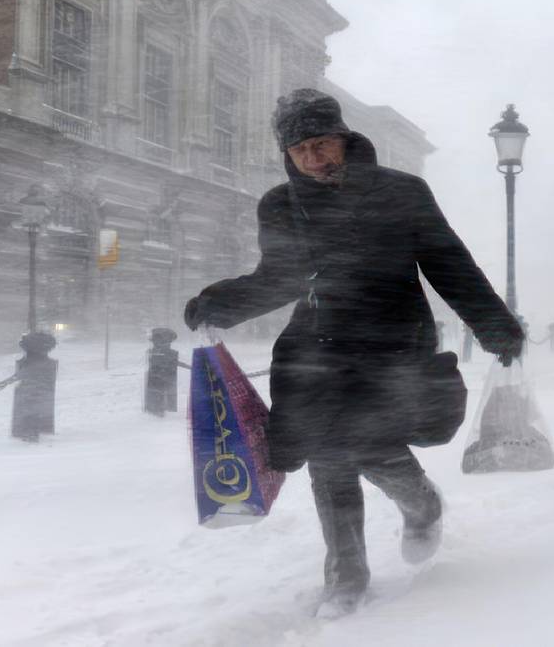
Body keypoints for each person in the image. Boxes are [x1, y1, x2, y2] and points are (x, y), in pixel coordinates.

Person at [183, 89, 525, 612]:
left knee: (371, 446)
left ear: (343, 139)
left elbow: (448, 263)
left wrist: (493, 325)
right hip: (315, 350)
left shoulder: (402, 192)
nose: (314, 159)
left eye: (322, 144)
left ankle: (421, 504)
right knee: (327, 460)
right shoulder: (280, 204)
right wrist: (218, 304)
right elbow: (279, 277)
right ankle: (346, 577)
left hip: (391, 346)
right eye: (301, 151)